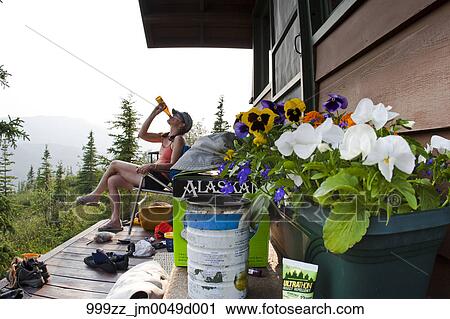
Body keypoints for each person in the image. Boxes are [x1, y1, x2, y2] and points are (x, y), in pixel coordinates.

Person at [75, 104, 193, 232]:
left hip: (157, 180)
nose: (172, 115)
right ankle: (115, 221)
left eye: (176, 115)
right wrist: (154, 113)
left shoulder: (178, 139)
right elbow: (142, 134)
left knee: (114, 164)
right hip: (150, 176)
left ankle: (95, 195)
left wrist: (151, 165)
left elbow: (173, 165)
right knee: (112, 181)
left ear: (182, 125)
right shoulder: (164, 137)